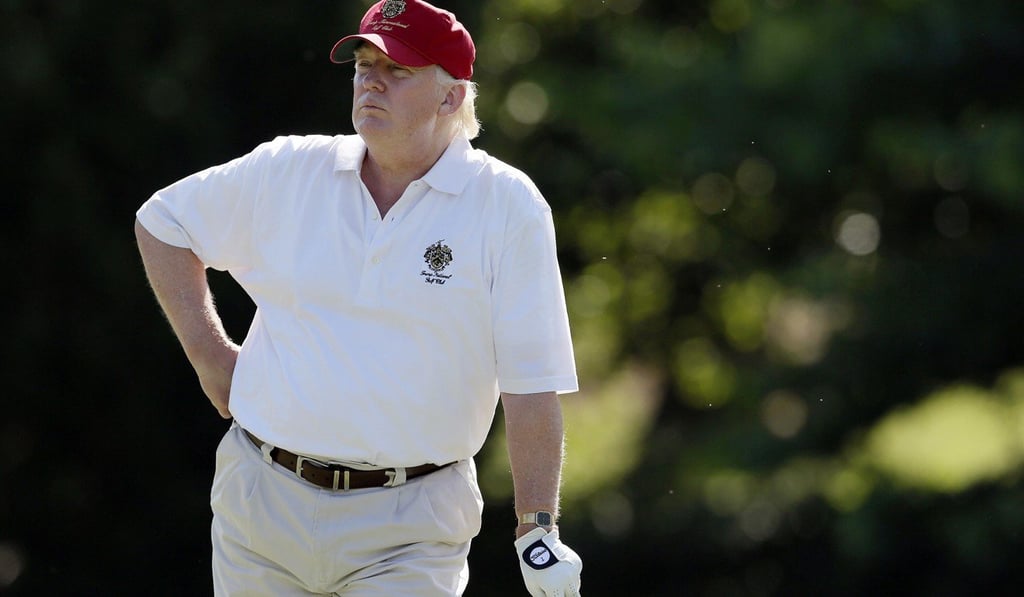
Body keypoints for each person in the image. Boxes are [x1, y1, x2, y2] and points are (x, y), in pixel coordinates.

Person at [134, 0, 583, 595]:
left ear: (451, 98)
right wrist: (209, 354)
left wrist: (536, 527)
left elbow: (531, 384)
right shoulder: (290, 168)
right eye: (363, 63)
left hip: (411, 526)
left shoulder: (507, 206)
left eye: (396, 70)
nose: (371, 80)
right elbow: (164, 224)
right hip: (261, 505)